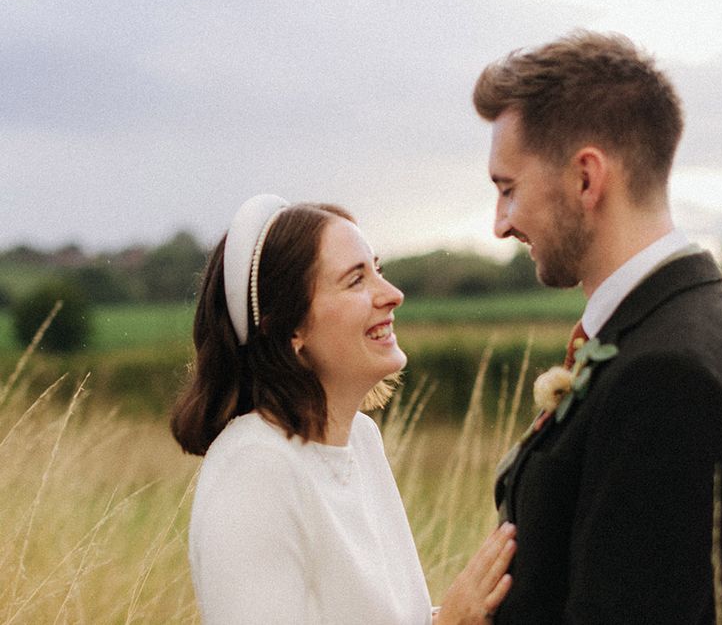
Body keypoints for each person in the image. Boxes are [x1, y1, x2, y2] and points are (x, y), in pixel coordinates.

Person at [473, 31, 722, 624]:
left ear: (586, 178)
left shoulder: (667, 376)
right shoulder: (713, 320)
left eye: (509, 189)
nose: (501, 224)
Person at [171, 195, 516, 624]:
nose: (392, 295)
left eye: (379, 271)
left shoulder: (362, 441)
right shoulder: (255, 467)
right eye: (356, 280)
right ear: (290, 327)